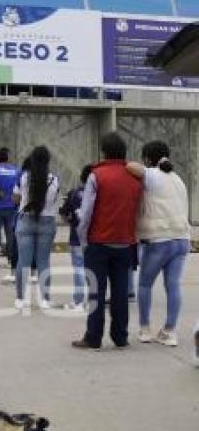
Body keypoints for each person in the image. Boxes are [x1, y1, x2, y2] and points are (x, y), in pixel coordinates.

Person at [73, 133, 142, 351]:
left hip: (99, 243)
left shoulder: (97, 175)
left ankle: (93, 338)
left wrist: (83, 240)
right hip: (125, 242)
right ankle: (120, 337)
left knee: (96, 291)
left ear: (104, 151)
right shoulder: (136, 177)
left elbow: (86, 213)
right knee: (121, 292)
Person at [128, 141, 191, 347]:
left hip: (159, 240)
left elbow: (130, 167)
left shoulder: (152, 175)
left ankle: (145, 329)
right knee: (173, 285)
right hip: (181, 239)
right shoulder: (178, 179)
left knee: (145, 284)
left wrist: (147, 166)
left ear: (147, 158)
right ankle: (170, 331)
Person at [12, 146, 60, 310]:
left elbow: (16, 199)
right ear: (48, 161)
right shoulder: (54, 179)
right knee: (43, 261)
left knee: (23, 261)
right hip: (47, 221)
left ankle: (20, 298)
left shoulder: (24, 177)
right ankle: (44, 299)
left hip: (25, 220)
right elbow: (54, 201)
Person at [59, 165, 93, 312]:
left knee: (79, 268)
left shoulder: (74, 194)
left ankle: (78, 301)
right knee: (94, 269)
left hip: (77, 237)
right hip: (96, 238)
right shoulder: (100, 193)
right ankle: (93, 300)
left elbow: (64, 213)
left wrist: (71, 222)